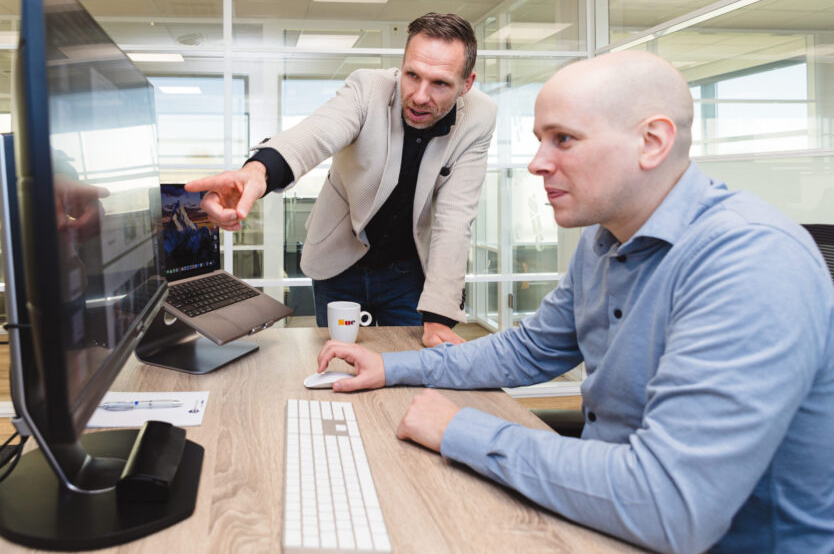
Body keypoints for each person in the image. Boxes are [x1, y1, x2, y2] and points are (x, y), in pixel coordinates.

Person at [313, 51, 834, 554]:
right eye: (540, 140)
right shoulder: (606, 239)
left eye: (563, 140)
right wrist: (392, 365)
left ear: (651, 142)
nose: (538, 164)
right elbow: (529, 350)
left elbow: (671, 504)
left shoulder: (750, 262)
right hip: (606, 518)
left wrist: (461, 430)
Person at [185, 13, 497, 348]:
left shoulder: (480, 117)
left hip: (407, 273)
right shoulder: (367, 88)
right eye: (412, 75)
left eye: (440, 83)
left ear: (467, 83)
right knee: (339, 364)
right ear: (401, 66)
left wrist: (439, 318)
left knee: (414, 364)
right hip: (339, 264)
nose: (420, 96)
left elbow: (455, 218)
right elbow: (313, 135)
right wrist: (258, 172)